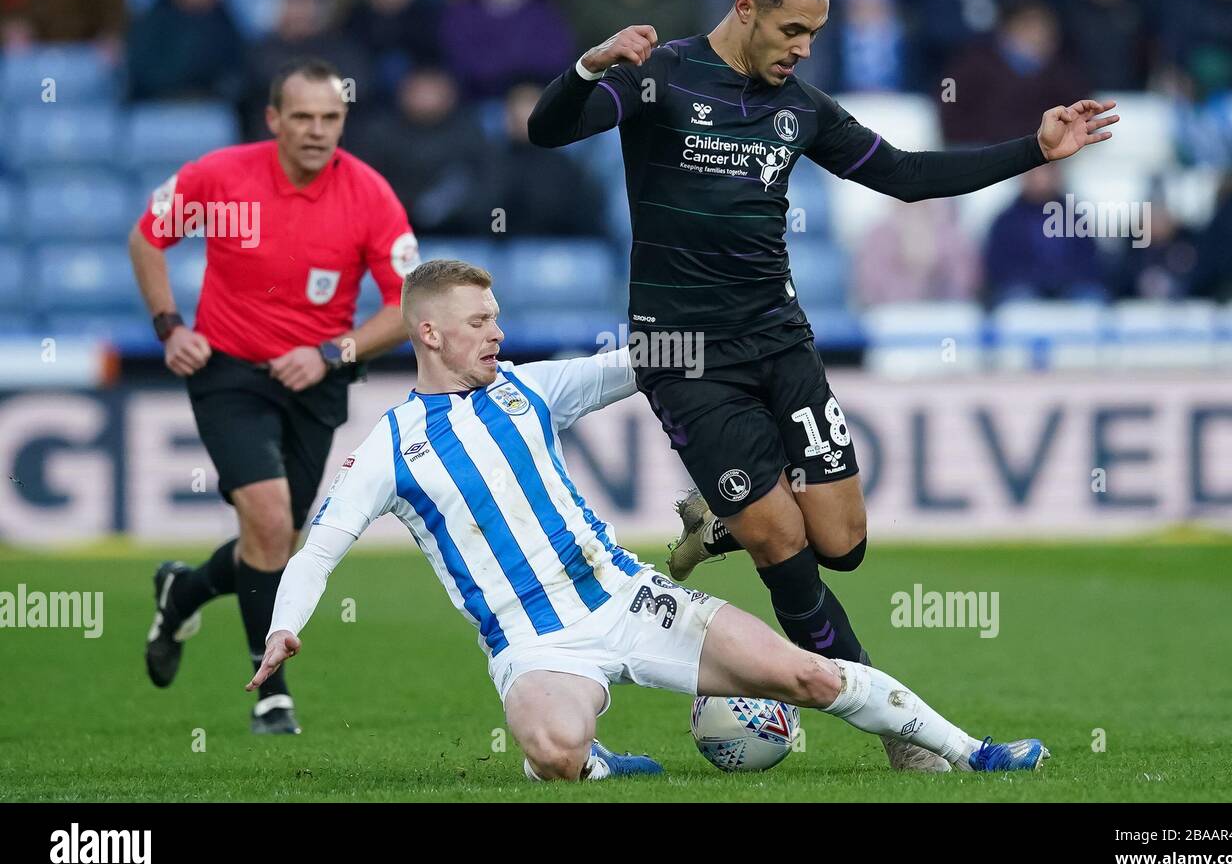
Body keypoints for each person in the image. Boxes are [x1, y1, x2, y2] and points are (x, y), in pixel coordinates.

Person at [527, 0, 1116, 772]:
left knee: (843, 542)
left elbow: (907, 174)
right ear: (745, 9)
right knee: (786, 551)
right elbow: (551, 130)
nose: (803, 49)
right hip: (686, 355)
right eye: (791, 31)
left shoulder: (799, 107)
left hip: (780, 341)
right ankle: (900, 731)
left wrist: (1035, 149)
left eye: (816, 33)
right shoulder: (662, 77)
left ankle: (722, 519)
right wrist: (589, 64)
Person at [247, 259, 1050, 781]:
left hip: (631, 599)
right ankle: (598, 761)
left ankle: (972, 751)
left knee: (809, 674)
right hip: (533, 642)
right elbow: (320, 549)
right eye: (479, 321)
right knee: (554, 753)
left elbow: (638, 361)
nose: (497, 331)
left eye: (496, 317)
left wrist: (737, 330)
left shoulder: (527, 389)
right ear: (429, 332)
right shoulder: (387, 447)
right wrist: (285, 627)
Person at [128, 57, 420, 734]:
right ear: (273, 120)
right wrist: (170, 326)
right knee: (266, 518)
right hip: (228, 370)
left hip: (316, 381)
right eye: (303, 117)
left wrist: (330, 352)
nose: (318, 131)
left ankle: (182, 592)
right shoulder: (218, 176)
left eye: (331, 118)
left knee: (276, 543)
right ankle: (271, 693)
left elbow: (404, 302)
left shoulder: (371, 195)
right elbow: (147, 238)